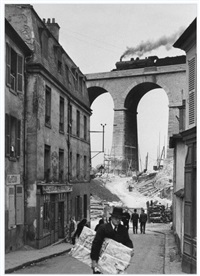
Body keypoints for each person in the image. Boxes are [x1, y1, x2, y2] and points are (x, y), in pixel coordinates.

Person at [90, 207, 133, 274]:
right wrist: (94, 260)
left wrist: (130, 249)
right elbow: (96, 244)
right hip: (102, 261)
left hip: (115, 264)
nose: (118, 220)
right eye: (116, 218)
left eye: (119, 218)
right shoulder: (103, 228)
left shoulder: (123, 229)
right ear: (112, 218)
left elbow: (127, 241)